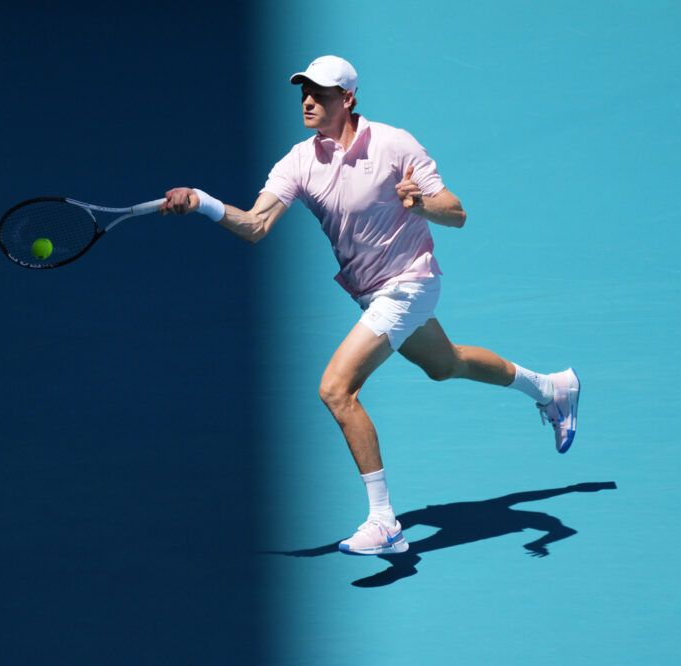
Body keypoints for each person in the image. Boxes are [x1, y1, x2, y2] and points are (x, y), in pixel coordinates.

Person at [160, 55, 580, 556]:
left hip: (410, 283)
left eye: (320, 93)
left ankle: (384, 523)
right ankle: (551, 388)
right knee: (446, 365)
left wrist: (420, 204)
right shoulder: (298, 162)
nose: (308, 101)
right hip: (371, 293)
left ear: (348, 98)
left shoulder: (394, 144)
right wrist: (201, 201)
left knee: (336, 389)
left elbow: (457, 212)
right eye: (303, 92)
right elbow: (255, 225)